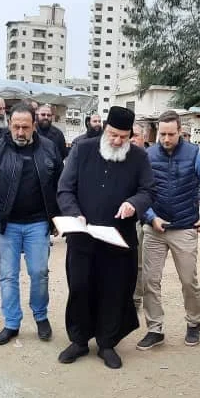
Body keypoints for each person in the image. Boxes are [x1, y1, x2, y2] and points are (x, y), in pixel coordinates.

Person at [56, 106, 154, 369]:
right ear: (104, 129)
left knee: (114, 291)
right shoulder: (82, 150)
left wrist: (134, 203)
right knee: (80, 287)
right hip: (83, 237)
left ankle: (107, 343)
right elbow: (65, 189)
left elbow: (147, 190)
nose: (117, 141)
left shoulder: (139, 157)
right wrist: (75, 214)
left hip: (118, 241)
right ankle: (78, 341)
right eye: (112, 134)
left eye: (123, 136)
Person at [0, 103, 63, 345]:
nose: (20, 132)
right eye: (16, 127)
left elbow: (60, 183)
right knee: (7, 276)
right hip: (6, 225)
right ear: (10, 125)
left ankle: (40, 315)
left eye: (26, 127)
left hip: (38, 223)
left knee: (40, 273)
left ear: (34, 126)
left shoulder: (49, 149)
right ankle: (12, 322)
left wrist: (56, 216)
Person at [136, 111, 200, 351]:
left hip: (185, 227)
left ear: (181, 132)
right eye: (162, 134)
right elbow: (141, 191)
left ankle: (194, 322)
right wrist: (150, 217)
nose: (166, 139)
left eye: (171, 134)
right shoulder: (148, 156)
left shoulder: (194, 153)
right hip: (155, 228)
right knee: (150, 280)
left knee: (188, 280)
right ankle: (154, 328)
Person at [130, 124, 148, 311]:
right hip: (120, 219)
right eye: (130, 135)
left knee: (139, 263)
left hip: (143, 219)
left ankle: (135, 299)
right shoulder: (120, 158)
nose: (132, 139)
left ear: (143, 137)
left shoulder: (149, 159)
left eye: (135, 135)